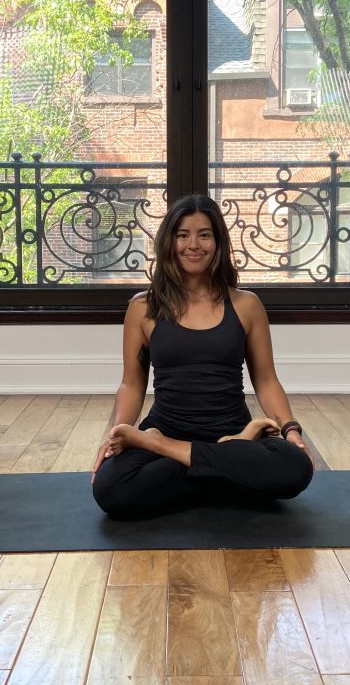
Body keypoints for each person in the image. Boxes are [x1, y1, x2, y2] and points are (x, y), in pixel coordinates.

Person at [91, 193, 314, 518]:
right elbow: (132, 385)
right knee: (110, 488)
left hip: (233, 431)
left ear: (218, 242)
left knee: (296, 467)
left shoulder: (246, 305)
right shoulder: (143, 308)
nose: (193, 244)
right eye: (183, 235)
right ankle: (223, 471)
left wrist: (291, 431)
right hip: (176, 428)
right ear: (170, 241)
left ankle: (165, 449)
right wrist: (118, 435)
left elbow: (266, 381)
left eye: (204, 234)